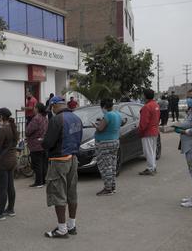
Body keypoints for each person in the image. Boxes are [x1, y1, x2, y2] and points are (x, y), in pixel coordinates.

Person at [42, 96, 83, 238]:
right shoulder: (76, 118)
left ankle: (61, 229)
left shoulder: (56, 120)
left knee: (58, 194)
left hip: (59, 159)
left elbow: (48, 143)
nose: (51, 110)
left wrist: (42, 142)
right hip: (73, 158)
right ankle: (72, 225)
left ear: (54, 106)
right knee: (72, 193)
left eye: (51, 108)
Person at [93, 99, 124, 196]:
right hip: (115, 141)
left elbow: (100, 128)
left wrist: (95, 125)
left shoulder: (108, 115)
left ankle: (108, 188)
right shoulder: (117, 114)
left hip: (105, 143)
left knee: (105, 166)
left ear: (103, 107)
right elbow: (121, 123)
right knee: (112, 165)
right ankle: (112, 186)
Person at [25, 103, 48, 188]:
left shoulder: (36, 119)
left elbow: (28, 131)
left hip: (35, 144)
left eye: (34, 107)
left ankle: (39, 182)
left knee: (37, 164)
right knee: (43, 163)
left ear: (37, 109)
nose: (33, 109)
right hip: (43, 143)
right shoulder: (45, 118)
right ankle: (43, 180)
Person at [138, 89, 160, 176]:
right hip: (154, 131)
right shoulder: (155, 105)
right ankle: (153, 167)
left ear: (145, 96)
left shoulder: (147, 107)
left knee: (148, 151)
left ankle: (150, 168)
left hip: (147, 132)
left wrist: (140, 131)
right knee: (152, 151)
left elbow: (144, 122)